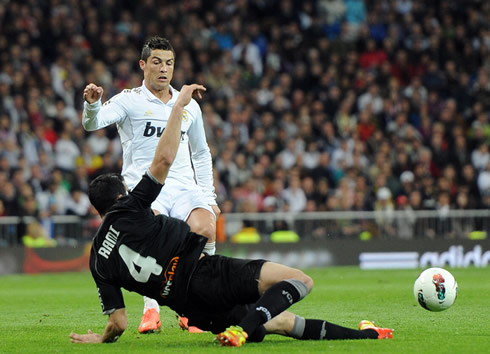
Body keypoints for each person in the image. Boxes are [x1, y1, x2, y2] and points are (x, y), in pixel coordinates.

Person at [69, 84, 393, 347]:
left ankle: (366, 334)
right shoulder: (131, 207)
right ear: (121, 195)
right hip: (207, 274)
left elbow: (117, 323)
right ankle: (243, 329)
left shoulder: (98, 259)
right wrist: (178, 107)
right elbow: (164, 159)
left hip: (191, 309)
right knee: (300, 279)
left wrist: (100, 340)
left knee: (278, 322)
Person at [82, 36, 220, 333]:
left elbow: (201, 151)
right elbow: (92, 124)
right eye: (156, 62)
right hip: (145, 187)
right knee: (154, 238)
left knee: (206, 228)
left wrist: (208, 196)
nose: (163, 69)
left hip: (183, 184)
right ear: (143, 65)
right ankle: (151, 309)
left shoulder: (189, 105)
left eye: (169, 63)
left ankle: (195, 307)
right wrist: (92, 106)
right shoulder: (129, 99)